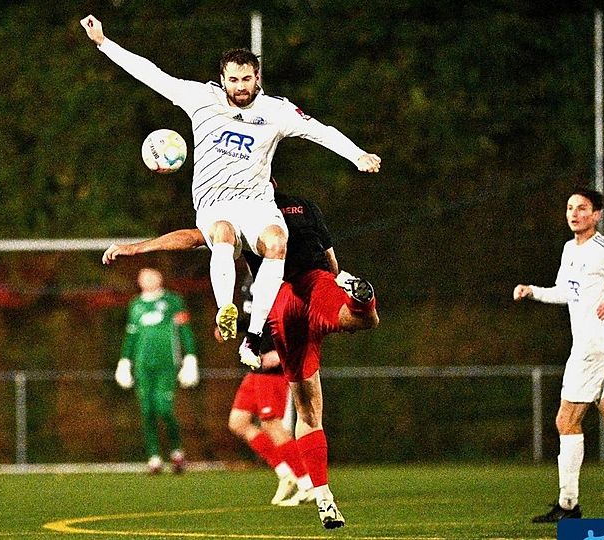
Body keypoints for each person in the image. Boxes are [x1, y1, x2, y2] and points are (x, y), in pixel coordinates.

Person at [81, 14, 381, 369]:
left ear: (258, 79)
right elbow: (153, 75)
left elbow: (322, 131)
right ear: (222, 79)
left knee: (276, 242)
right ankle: (226, 308)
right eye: (233, 79)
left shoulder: (276, 111)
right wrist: (104, 43)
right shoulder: (201, 99)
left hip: (256, 202)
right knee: (221, 234)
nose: (240, 86)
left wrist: (357, 154)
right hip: (214, 203)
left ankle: (253, 336)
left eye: (247, 79)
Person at [103, 188, 378, 530]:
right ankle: (360, 300)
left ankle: (320, 493)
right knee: (364, 320)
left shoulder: (239, 213)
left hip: (282, 306)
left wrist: (139, 246)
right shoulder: (303, 206)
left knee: (303, 415)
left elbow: (192, 238)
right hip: (315, 285)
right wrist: (336, 282)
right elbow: (331, 260)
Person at [513, 186, 604, 523]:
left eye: (582, 208)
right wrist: (533, 292)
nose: (574, 213)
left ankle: (568, 507)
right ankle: (568, 506)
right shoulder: (570, 249)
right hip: (599, 348)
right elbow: (564, 293)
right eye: (570, 207)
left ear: (596, 215)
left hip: (593, 349)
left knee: (565, 421)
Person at [227, 276, 315, 507]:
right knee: (238, 421)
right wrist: (230, 327)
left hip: (273, 369)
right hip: (255, 365)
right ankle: (286, 472)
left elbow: (299, 319)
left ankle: (307, 484)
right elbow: (255, 321)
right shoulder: (250, 279)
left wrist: (282, 352)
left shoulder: (280, 277)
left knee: (272, 423)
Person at [116, 267, 200, 474]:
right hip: (143, 365)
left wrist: (190, 358)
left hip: (167, 364)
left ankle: (176, 452)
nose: (148, 280)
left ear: (160, 278)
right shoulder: (135, 305)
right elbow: (131, 335)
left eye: (152, 275)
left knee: (164, 408)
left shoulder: (173, 301)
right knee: (147, 410)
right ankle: (154, 457)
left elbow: (185, 330)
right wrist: (124, 361)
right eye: (143, 276)